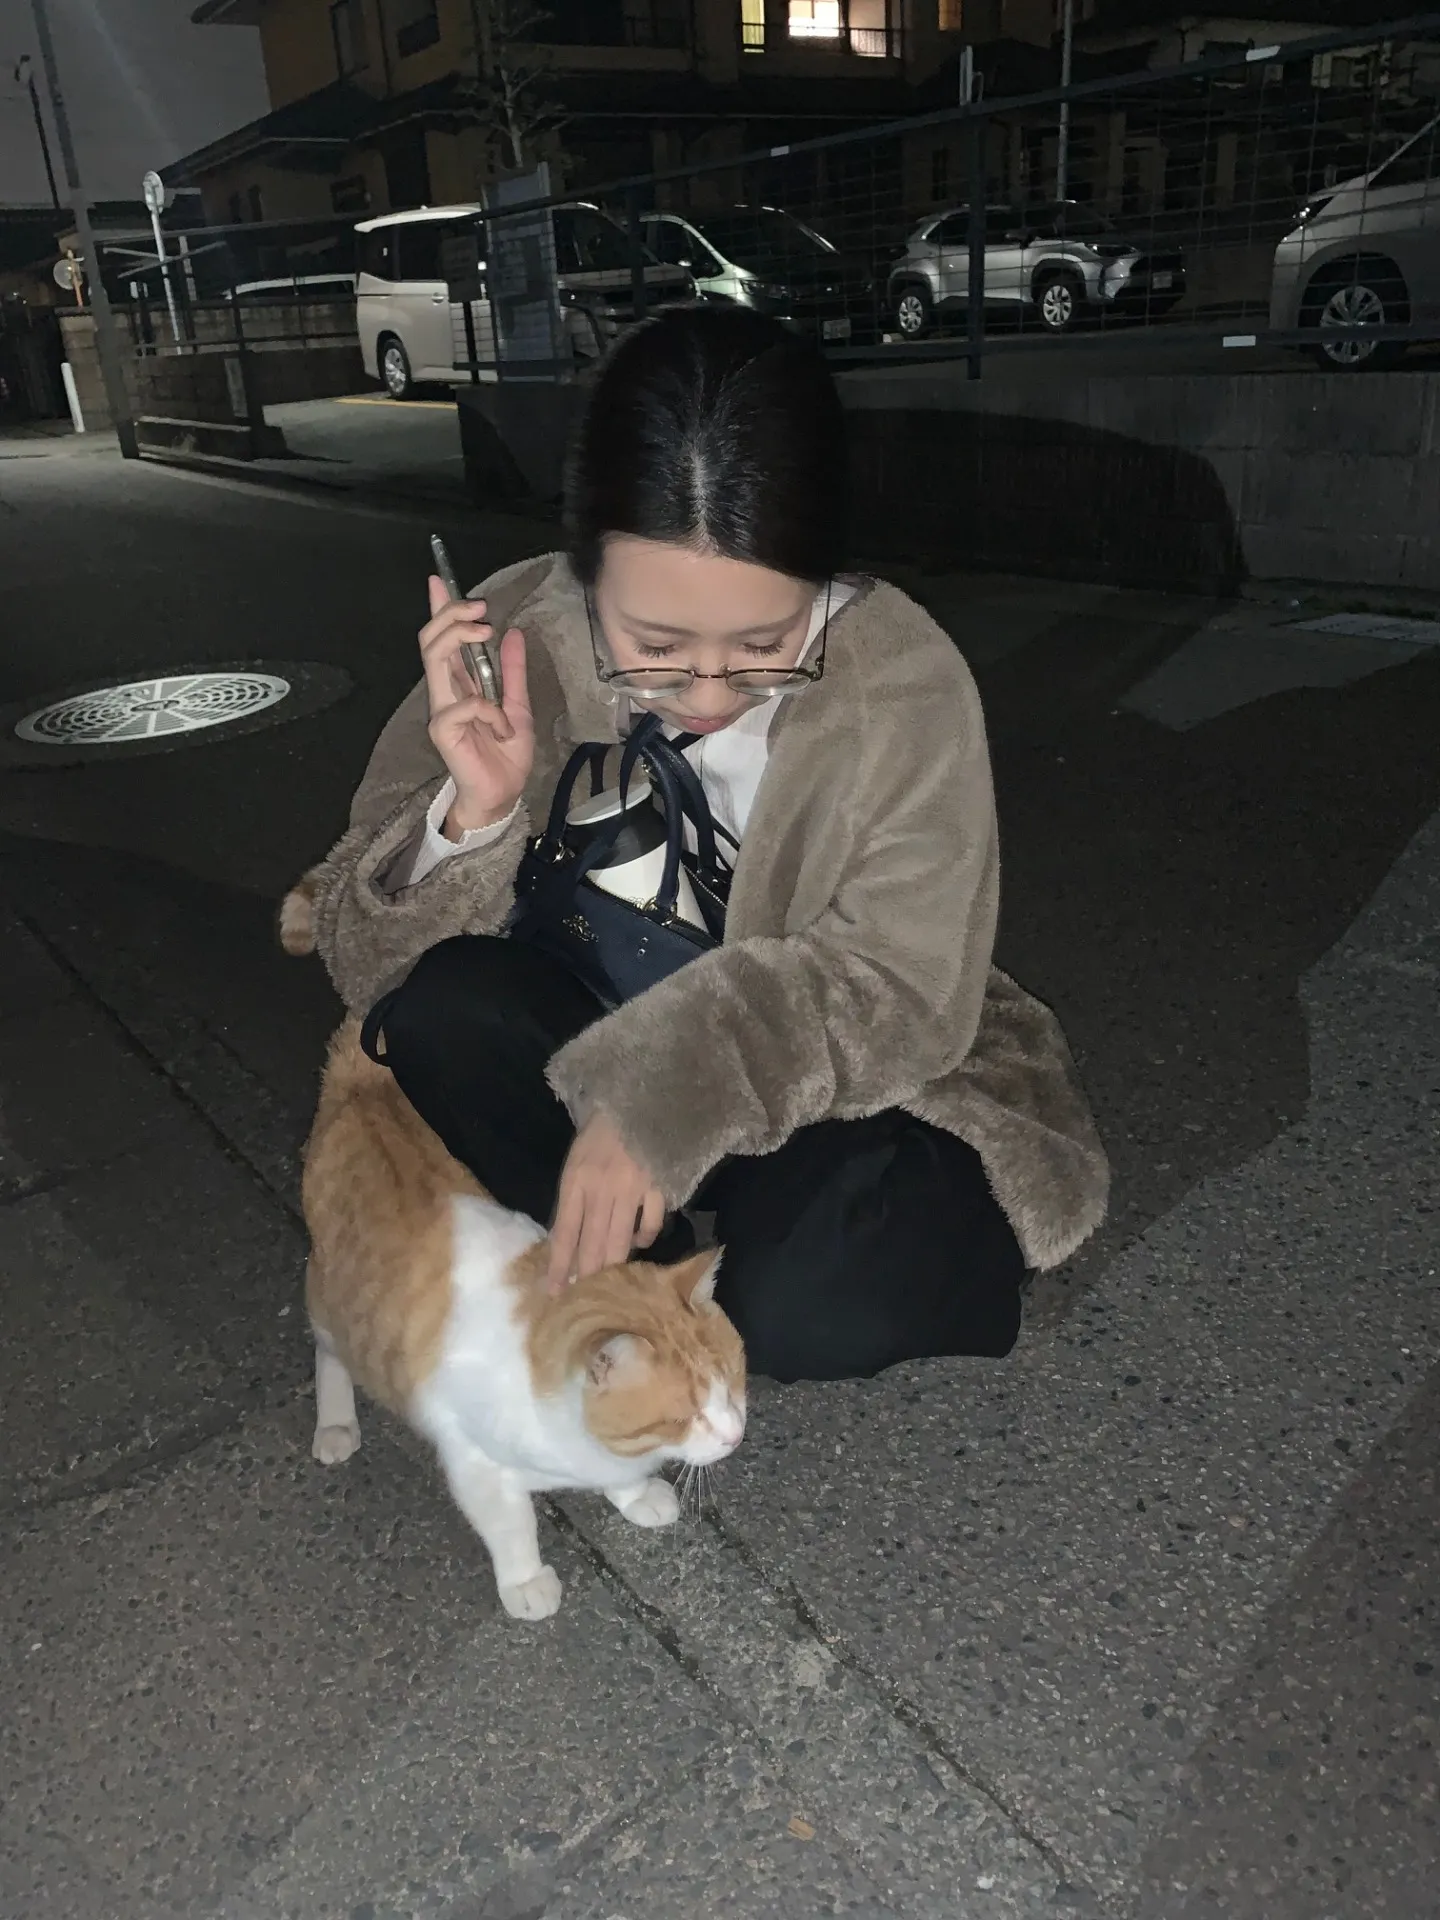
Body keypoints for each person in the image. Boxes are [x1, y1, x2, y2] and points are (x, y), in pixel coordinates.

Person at [304, 306, 1108, 1384]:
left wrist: (666, 1093)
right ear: (586, 572)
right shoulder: (515, 633)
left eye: (767, 642)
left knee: (806, 1305)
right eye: (656, 645)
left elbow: (900, 985)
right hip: (603, 1022)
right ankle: (644, 1257)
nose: (710, 694)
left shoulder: (902, 682)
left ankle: (756, 1235)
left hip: (838, 1075)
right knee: (443, 1005)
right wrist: (473, 815)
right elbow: (370, 968)